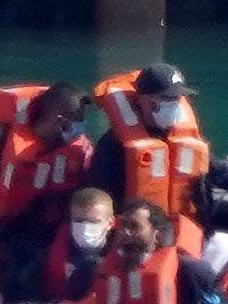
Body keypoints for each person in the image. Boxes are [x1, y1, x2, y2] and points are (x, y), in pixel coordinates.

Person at [0, 83, 91, 278]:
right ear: (59, 122)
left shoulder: (79, 151)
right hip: (7, 227)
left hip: (52, 229)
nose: (79, 132)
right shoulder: (8, 147)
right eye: (75, 123)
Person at [87, 64, 211, 222]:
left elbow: (218, 171)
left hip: (178, 226)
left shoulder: (185, 138)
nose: (175, 104)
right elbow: (100, 193)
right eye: (167, 98)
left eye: (177, 98)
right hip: (134, 231)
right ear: (144, 100)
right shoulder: (114, 144)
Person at [84, 199, 186, 304]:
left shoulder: (187, 271)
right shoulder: (97, 271)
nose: (126, 232)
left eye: (134, 227)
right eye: (123, 226)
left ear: (157, 235)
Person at [23, 186, 115, 303]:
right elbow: (25, 294)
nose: (85, 227)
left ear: (110, 223)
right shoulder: (48, 257)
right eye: (79, 221)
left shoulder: (126, 256)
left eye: (93, 222)